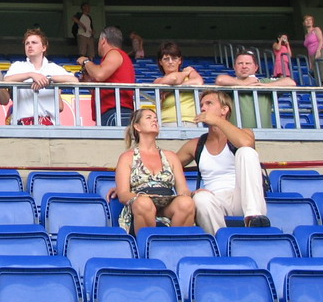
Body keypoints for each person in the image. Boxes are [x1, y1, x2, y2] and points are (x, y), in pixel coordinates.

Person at [176, 90, 271, 234]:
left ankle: (253, 217)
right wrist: (189, 193)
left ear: (224, 109)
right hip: (215, 199)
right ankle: (220, 241)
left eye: (209, 103)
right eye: (201, 105)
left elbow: (246, 143)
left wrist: (217, 121)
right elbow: (169, 166)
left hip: (244, 199)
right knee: (201, 198)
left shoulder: (244, 133)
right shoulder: (196, 144)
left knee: (246, 151)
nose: (203, 108)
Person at [110, 108, 195, 234]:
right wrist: (144, 197)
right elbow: (123, 194)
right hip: (140, 203)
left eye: (155, 118)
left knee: (186, 203)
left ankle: (176, 246)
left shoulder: (171, 156)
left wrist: (194, 194)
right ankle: (148, 247)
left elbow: (183, 190)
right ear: (137, 126)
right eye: (149, 118)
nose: (154, 120)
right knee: (144, 203)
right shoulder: (127, 157)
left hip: (167, 202)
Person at [5, 28, 79, 125]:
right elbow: (5, 80)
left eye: (34, 42)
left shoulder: (53, 68)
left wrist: (49, 79)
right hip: (21, 123)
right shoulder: (18, 66)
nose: (30, 45)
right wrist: (30, 74)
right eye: (27, 43)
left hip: (48, 124)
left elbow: (75, 81)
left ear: (44, 47)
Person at [215, 50, 296, 128]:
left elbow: (291, 82)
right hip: (236, 136)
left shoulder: (264, 82)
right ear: (234, 67)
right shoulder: (230, 83)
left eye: (248, 63)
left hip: (264, 135)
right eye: (240, 63)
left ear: (256, 67)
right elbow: (220, 79)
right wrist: (243, 84)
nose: (244, 66)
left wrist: (267, 86)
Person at [78, 26, 135, 126]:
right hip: (114, 111)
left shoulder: (114, 53)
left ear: (103, 41)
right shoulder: (118, 57)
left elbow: (99, 74)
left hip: (115, 111)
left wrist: (86, 61)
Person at [152, 41, 204, 125]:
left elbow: (198, 82)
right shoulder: (158, 80)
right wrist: (185, 73)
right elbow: (173, 78)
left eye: (174, 58)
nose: (170, 62)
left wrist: (171, 90)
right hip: (166, 122)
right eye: (166, 59)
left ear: (180, 60)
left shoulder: (191, 74)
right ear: (160, 62)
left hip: (191, 121)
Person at [303, 14, 323, 86]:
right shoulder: (306, 35)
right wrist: (310, 63)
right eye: (306, 20)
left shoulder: (316, 29)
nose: (308, 21)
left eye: (310, 20)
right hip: (312, 56)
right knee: (317, 75)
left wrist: (318, 50)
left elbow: (321, 40)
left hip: (319, 52)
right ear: (304, 23)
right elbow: (308, 49)